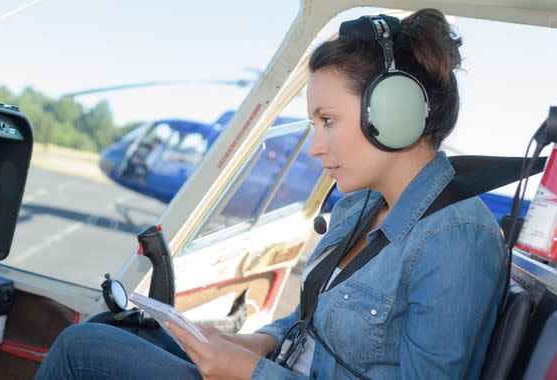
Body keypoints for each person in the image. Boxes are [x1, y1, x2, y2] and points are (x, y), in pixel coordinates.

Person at [35, 8, 505, 379]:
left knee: (82, 352)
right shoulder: (359, 207)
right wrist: (261, 342)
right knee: (111, 331)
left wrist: (252, 373)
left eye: (327, 120)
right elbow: (314, 325)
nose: (316, 146)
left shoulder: (456, 239)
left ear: (393, 111)